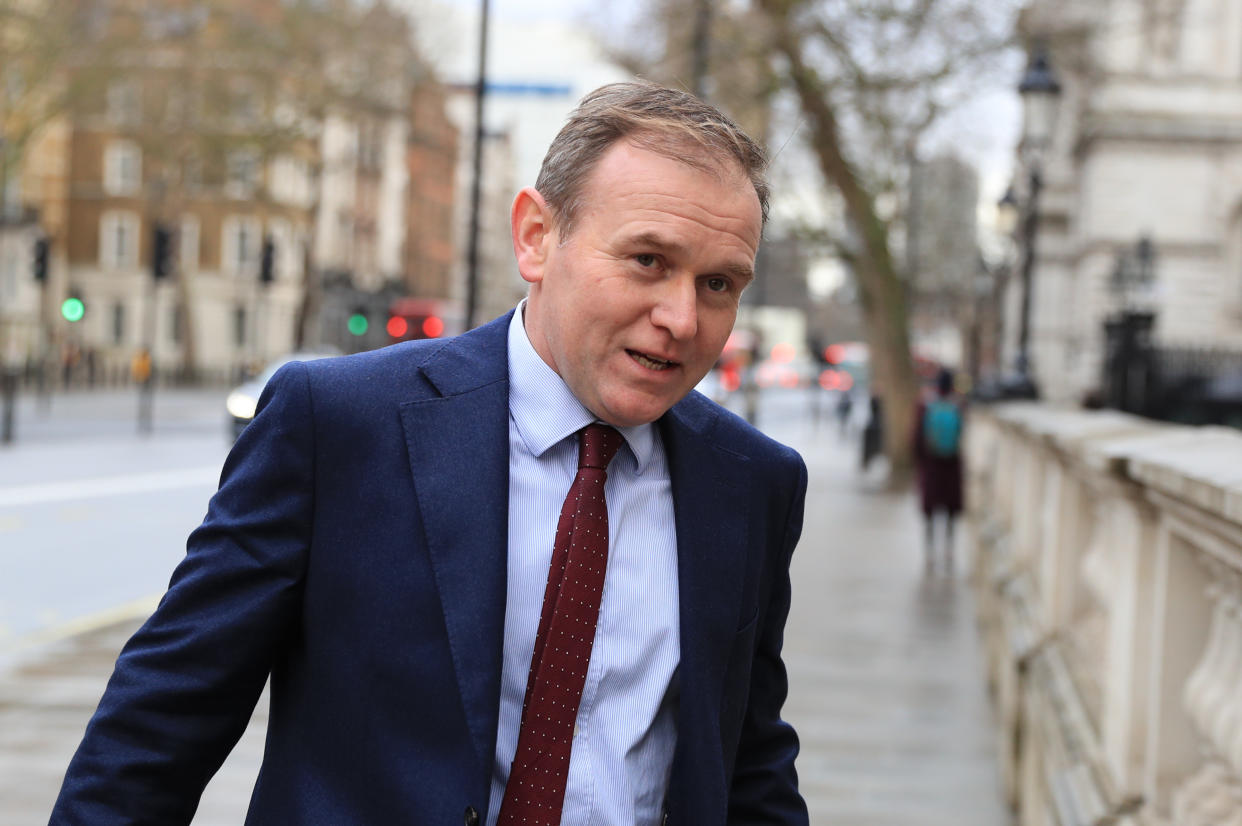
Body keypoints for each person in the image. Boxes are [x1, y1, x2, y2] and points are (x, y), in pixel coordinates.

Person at [51, 81, 809, 826]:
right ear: (536, 238)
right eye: (648, 260)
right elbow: (162, 722)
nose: (682, 317)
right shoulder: (340, 424)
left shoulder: (754, 484)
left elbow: (748, 767)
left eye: (718, 284)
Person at [913, 368, 965, 570]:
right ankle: (949, 551)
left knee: (930, 514)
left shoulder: (925, 403)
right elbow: (962, 433)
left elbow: (916, 438)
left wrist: (920, 463)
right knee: (950, 512)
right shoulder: (958, 404)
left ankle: (930, 553)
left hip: (931, 466)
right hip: (951, 466)